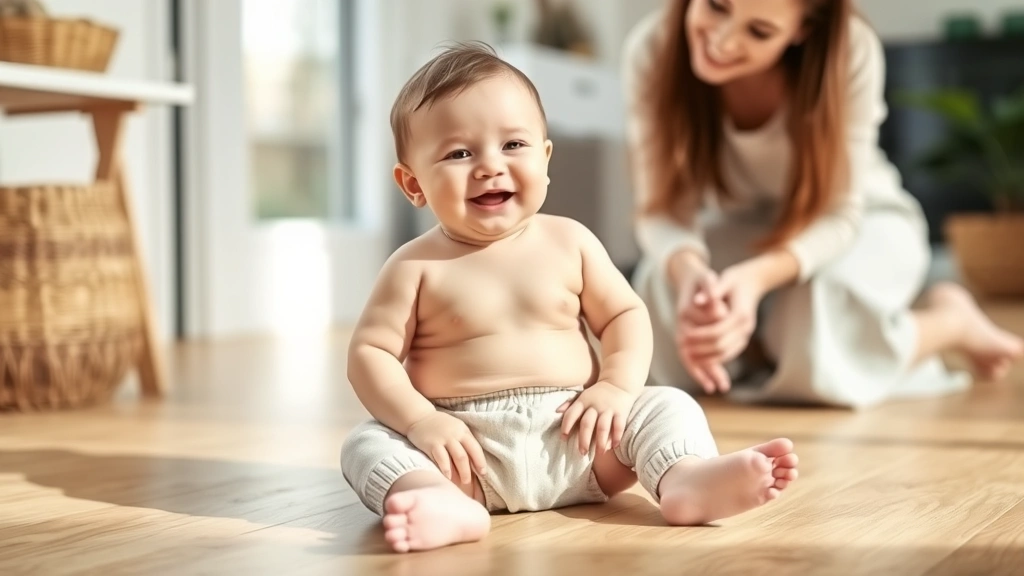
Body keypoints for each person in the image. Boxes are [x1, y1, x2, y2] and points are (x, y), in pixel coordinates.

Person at [340, 42, 799, 554]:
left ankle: (685, 479)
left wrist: (617, 389)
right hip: (463, 452)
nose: (490, 166)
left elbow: (625, 314)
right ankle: (437, 501)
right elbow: (371, 353)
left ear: (545, 155)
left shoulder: (570, 241)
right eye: (459, 153)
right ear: (412, 183)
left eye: (513, 145)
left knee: (667, 403)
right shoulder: (413, 266)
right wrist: (420, 420)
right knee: (366, 444)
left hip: (581, 434)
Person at [622, 0, 1024, 408]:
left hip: (860, 219)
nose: (722, 41)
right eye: (715, 6)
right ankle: (772, 350)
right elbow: (662, 209)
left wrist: (757, 279)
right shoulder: (651, 50)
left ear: (803, 30)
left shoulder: (851, 50)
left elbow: (839, 216)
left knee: (814, 338)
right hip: (738, 224)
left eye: (759, 31)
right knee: (661, 314)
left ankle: (951, 324)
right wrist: (690, 273)